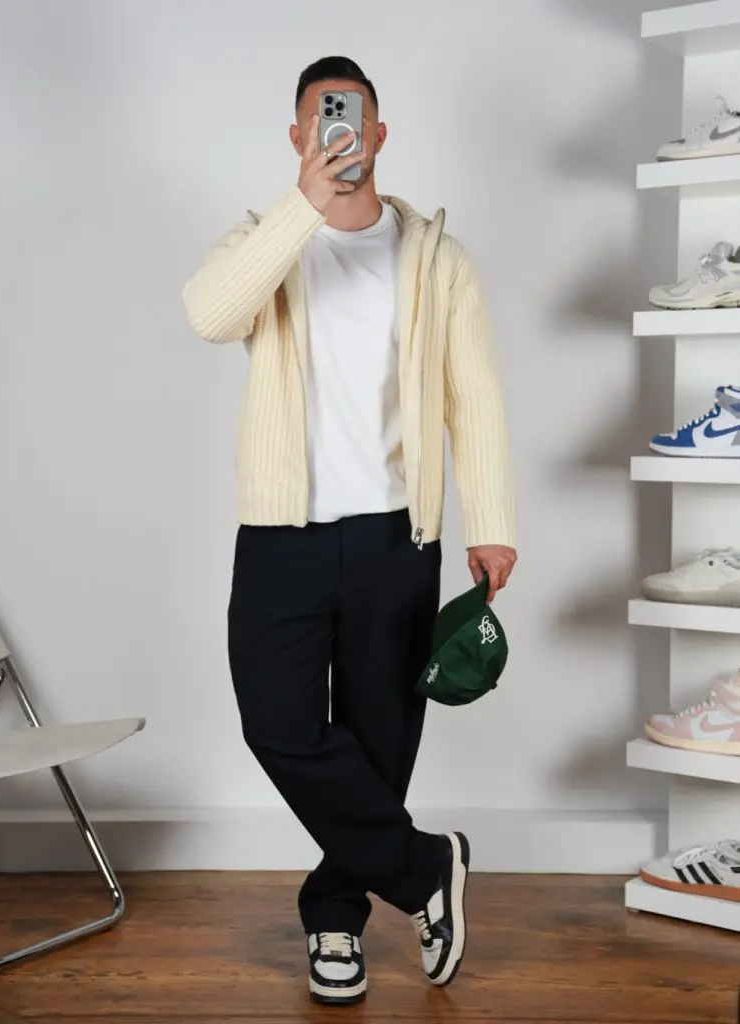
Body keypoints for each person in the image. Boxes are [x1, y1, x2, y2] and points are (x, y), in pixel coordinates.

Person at [183, 56, 516, 1005]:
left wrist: (491, 520)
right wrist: (302, 206)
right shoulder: (262, 242)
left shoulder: (436, 258)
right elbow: (209, 316)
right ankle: (424, 869)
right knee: (276, 723)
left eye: (354, 120)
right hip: (281, 534)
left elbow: (473, 396)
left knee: (378, 743)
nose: (340, 135)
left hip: (395, 538)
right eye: (322, 122)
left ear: (378, 134)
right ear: (298, 138)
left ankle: (336, 919)